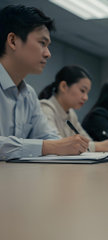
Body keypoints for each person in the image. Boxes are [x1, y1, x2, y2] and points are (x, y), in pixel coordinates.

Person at [0, 5, 89, 160]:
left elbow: (48, 136)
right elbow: (50, 144)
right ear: (13, 41)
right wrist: (48, 146)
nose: (48, 54)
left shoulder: (29, 94)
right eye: (42, 43)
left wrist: (65, 145)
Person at [38, 65, 108, 152]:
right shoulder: (45, 109)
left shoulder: (71, 113)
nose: (85, 98)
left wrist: (100, 145)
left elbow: (86, 140)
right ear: (63, 86)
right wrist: (101, 146)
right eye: (82, 91)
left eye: (87, 93)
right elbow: (56, 145)